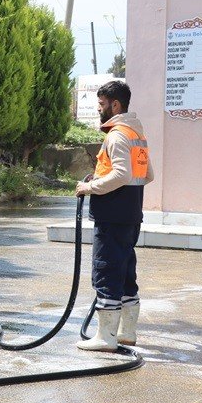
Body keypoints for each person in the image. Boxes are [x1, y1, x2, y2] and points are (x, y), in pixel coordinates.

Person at [75, 80, 154, 351]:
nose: (99, 109)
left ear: (115, 104)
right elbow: (148, 175)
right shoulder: (137, 136)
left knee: (106, 271)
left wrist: (90, 186)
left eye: (101, 104)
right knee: (125, 272)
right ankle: (126, 333)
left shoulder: (117, 135)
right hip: (131, 216)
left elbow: (121, 174)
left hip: (112, 217)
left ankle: (106, 337)